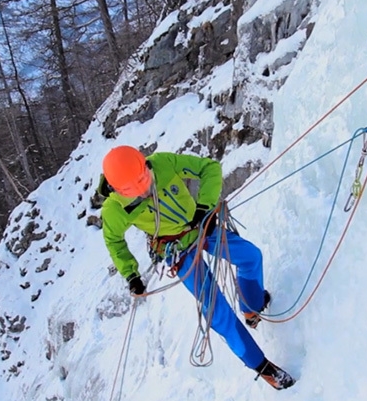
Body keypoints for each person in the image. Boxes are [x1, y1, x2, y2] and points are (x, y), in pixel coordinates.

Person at [98, 145, 296, 390]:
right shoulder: (114, 210)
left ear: (146, 166)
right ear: (118, 190)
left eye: (147, 182)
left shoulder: (162, 162)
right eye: (137, 194)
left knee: (250, 257)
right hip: (176, 250)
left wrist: (205, 208)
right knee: (216, 309)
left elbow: (209, 168)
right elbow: (114, 241)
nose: (146, 193)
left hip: (202, 226)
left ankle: (252, 308)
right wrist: (131, 274)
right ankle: (263, 367)